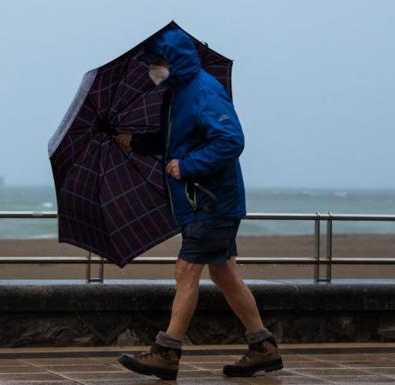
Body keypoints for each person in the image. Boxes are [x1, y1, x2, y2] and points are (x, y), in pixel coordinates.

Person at [113, 27, 284, 380]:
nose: (152, 70)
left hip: (212, 201)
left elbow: (231, 140)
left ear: (173, 61)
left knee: (186, 270)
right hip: (202, 200)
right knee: (225, 275)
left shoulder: (204, 90)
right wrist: (137, 143)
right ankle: (263, 347)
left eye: (156, 62)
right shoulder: (177, 94)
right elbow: (176, 140)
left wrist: (188, 166)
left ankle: (167, 352)